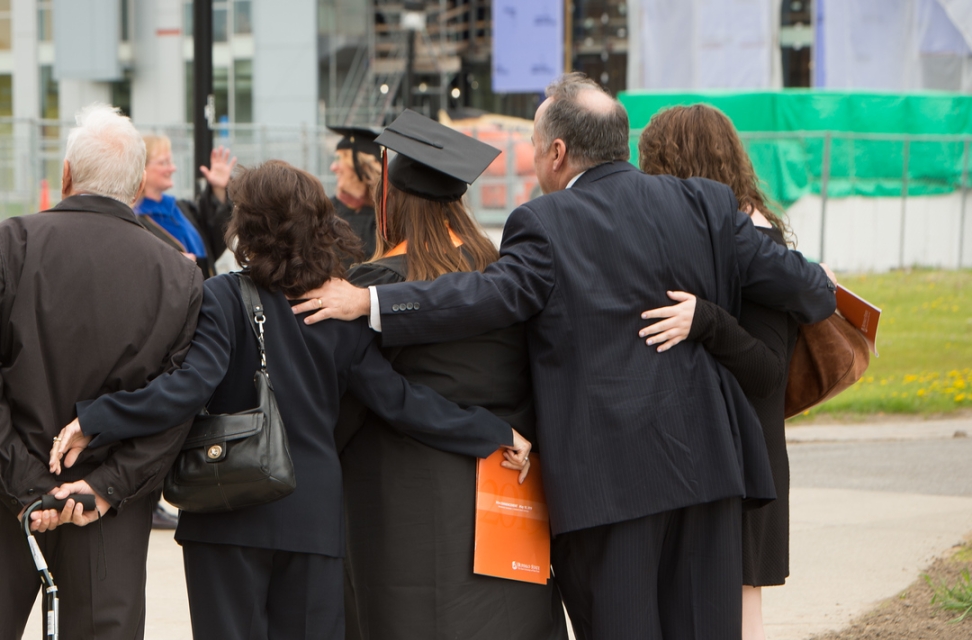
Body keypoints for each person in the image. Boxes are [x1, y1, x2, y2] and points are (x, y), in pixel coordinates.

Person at [294, 74, 839, 640]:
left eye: (533, 146)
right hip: (708, 472)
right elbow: (812, 290)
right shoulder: (705, 202)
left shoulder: (544, 223)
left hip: (608, 486)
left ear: (558, 152)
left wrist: (371, 300)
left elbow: (488, 297)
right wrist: (708, 317)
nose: (532, 160)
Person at [46, 160, 531, 640]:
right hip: (314, 523)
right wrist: (492, 431)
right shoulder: (340, 309)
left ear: (248, 227)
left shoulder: (222, 297)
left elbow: (187, 388)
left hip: (226, 515)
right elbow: (401, 401)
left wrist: (96, 419)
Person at [0, 104, 203, 640]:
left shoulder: (5, 245)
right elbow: (176, 403)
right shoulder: (179, 275)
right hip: (106, 510)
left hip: (0, 498)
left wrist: (27, 485)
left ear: (65, 176)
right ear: (136, 191)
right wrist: (103, 486)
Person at [337, 135, 568, 639]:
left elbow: (353, 399)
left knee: (408, 615)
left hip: (401, 489)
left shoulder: (374, 286)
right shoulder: (501, 277)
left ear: (390, 200)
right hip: (507, 478)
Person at [634, 104, 800, 640]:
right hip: (695, 457)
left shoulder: (761, 247)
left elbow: (768, 371)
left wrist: (705, 319)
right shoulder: (682, 244)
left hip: (747, 467)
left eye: (652, 164)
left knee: (736, 615)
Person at [136, 134, 236, 277]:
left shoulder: (179, 209)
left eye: (171, 161)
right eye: (164, 162)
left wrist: (218, 189)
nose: (172, 168)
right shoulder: (137, 222)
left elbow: (213, 236)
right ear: (142, 168)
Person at [328, 126, 383, 257]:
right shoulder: (327, 212)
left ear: (360, 165)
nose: (333, 167)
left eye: (339, 159)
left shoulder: (388, 215)